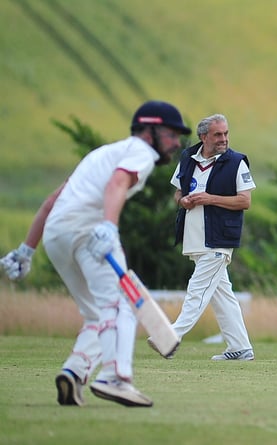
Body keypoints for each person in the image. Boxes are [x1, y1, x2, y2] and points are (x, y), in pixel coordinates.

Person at [0, 100, 192, 406]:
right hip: (89, 231)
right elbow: (118, 182)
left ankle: (74, 373)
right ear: (149, 131)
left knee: (96, 314)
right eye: (170, 133)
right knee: (120, 305)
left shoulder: (99, 155)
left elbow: (53, 200)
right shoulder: (140, 152)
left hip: (56, 235)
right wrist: (108, 226)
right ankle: (115, 378)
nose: (176, 142)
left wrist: (25, 250)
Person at [148, 113, 255, 361]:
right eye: (218, 134)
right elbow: (178, 193)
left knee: (197, 290)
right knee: (222, 296)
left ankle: (170, 336)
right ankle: (240, 347)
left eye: (226, 133)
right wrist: (183, 200)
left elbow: (245, 200)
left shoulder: (236, 162)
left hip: (219, 240)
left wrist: (209, 198)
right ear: (203, 136)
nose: (224, 139)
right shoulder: (187, 158)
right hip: (194, 239)